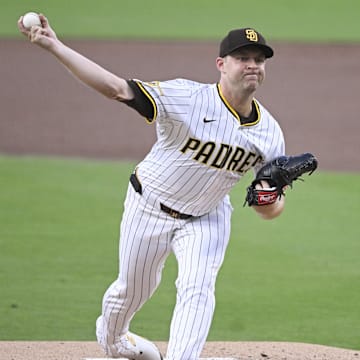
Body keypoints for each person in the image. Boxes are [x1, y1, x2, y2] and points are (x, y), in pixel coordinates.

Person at [18, 15, 286, 360]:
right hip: (150, 205)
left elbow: (268, 206)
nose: (253, 65)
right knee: (132, 290)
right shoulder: (185, 97)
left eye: (259, 60)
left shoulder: (270, 134)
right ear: (221, 64)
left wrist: (269, 200)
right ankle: (115, 340)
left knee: (197, 288)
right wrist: (54, 45)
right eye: (243, 58)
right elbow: (116, 88)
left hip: (208, 216)